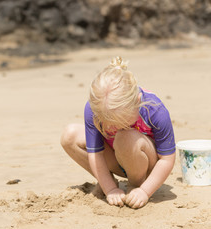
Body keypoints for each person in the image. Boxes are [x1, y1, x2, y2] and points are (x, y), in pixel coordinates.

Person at [60, 56, 176, 209]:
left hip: (144, 162)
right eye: (106, 124)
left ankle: (135, 185)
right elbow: (96, 154)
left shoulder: (155, 110)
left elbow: (167, 159)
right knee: (70, 135)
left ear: (137, 101)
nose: (110, 129)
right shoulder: (95, 109)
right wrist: (110, 188)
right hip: (115, 158)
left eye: (120, 123)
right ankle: (107, 179)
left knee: (124, 136)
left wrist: (145, 191)